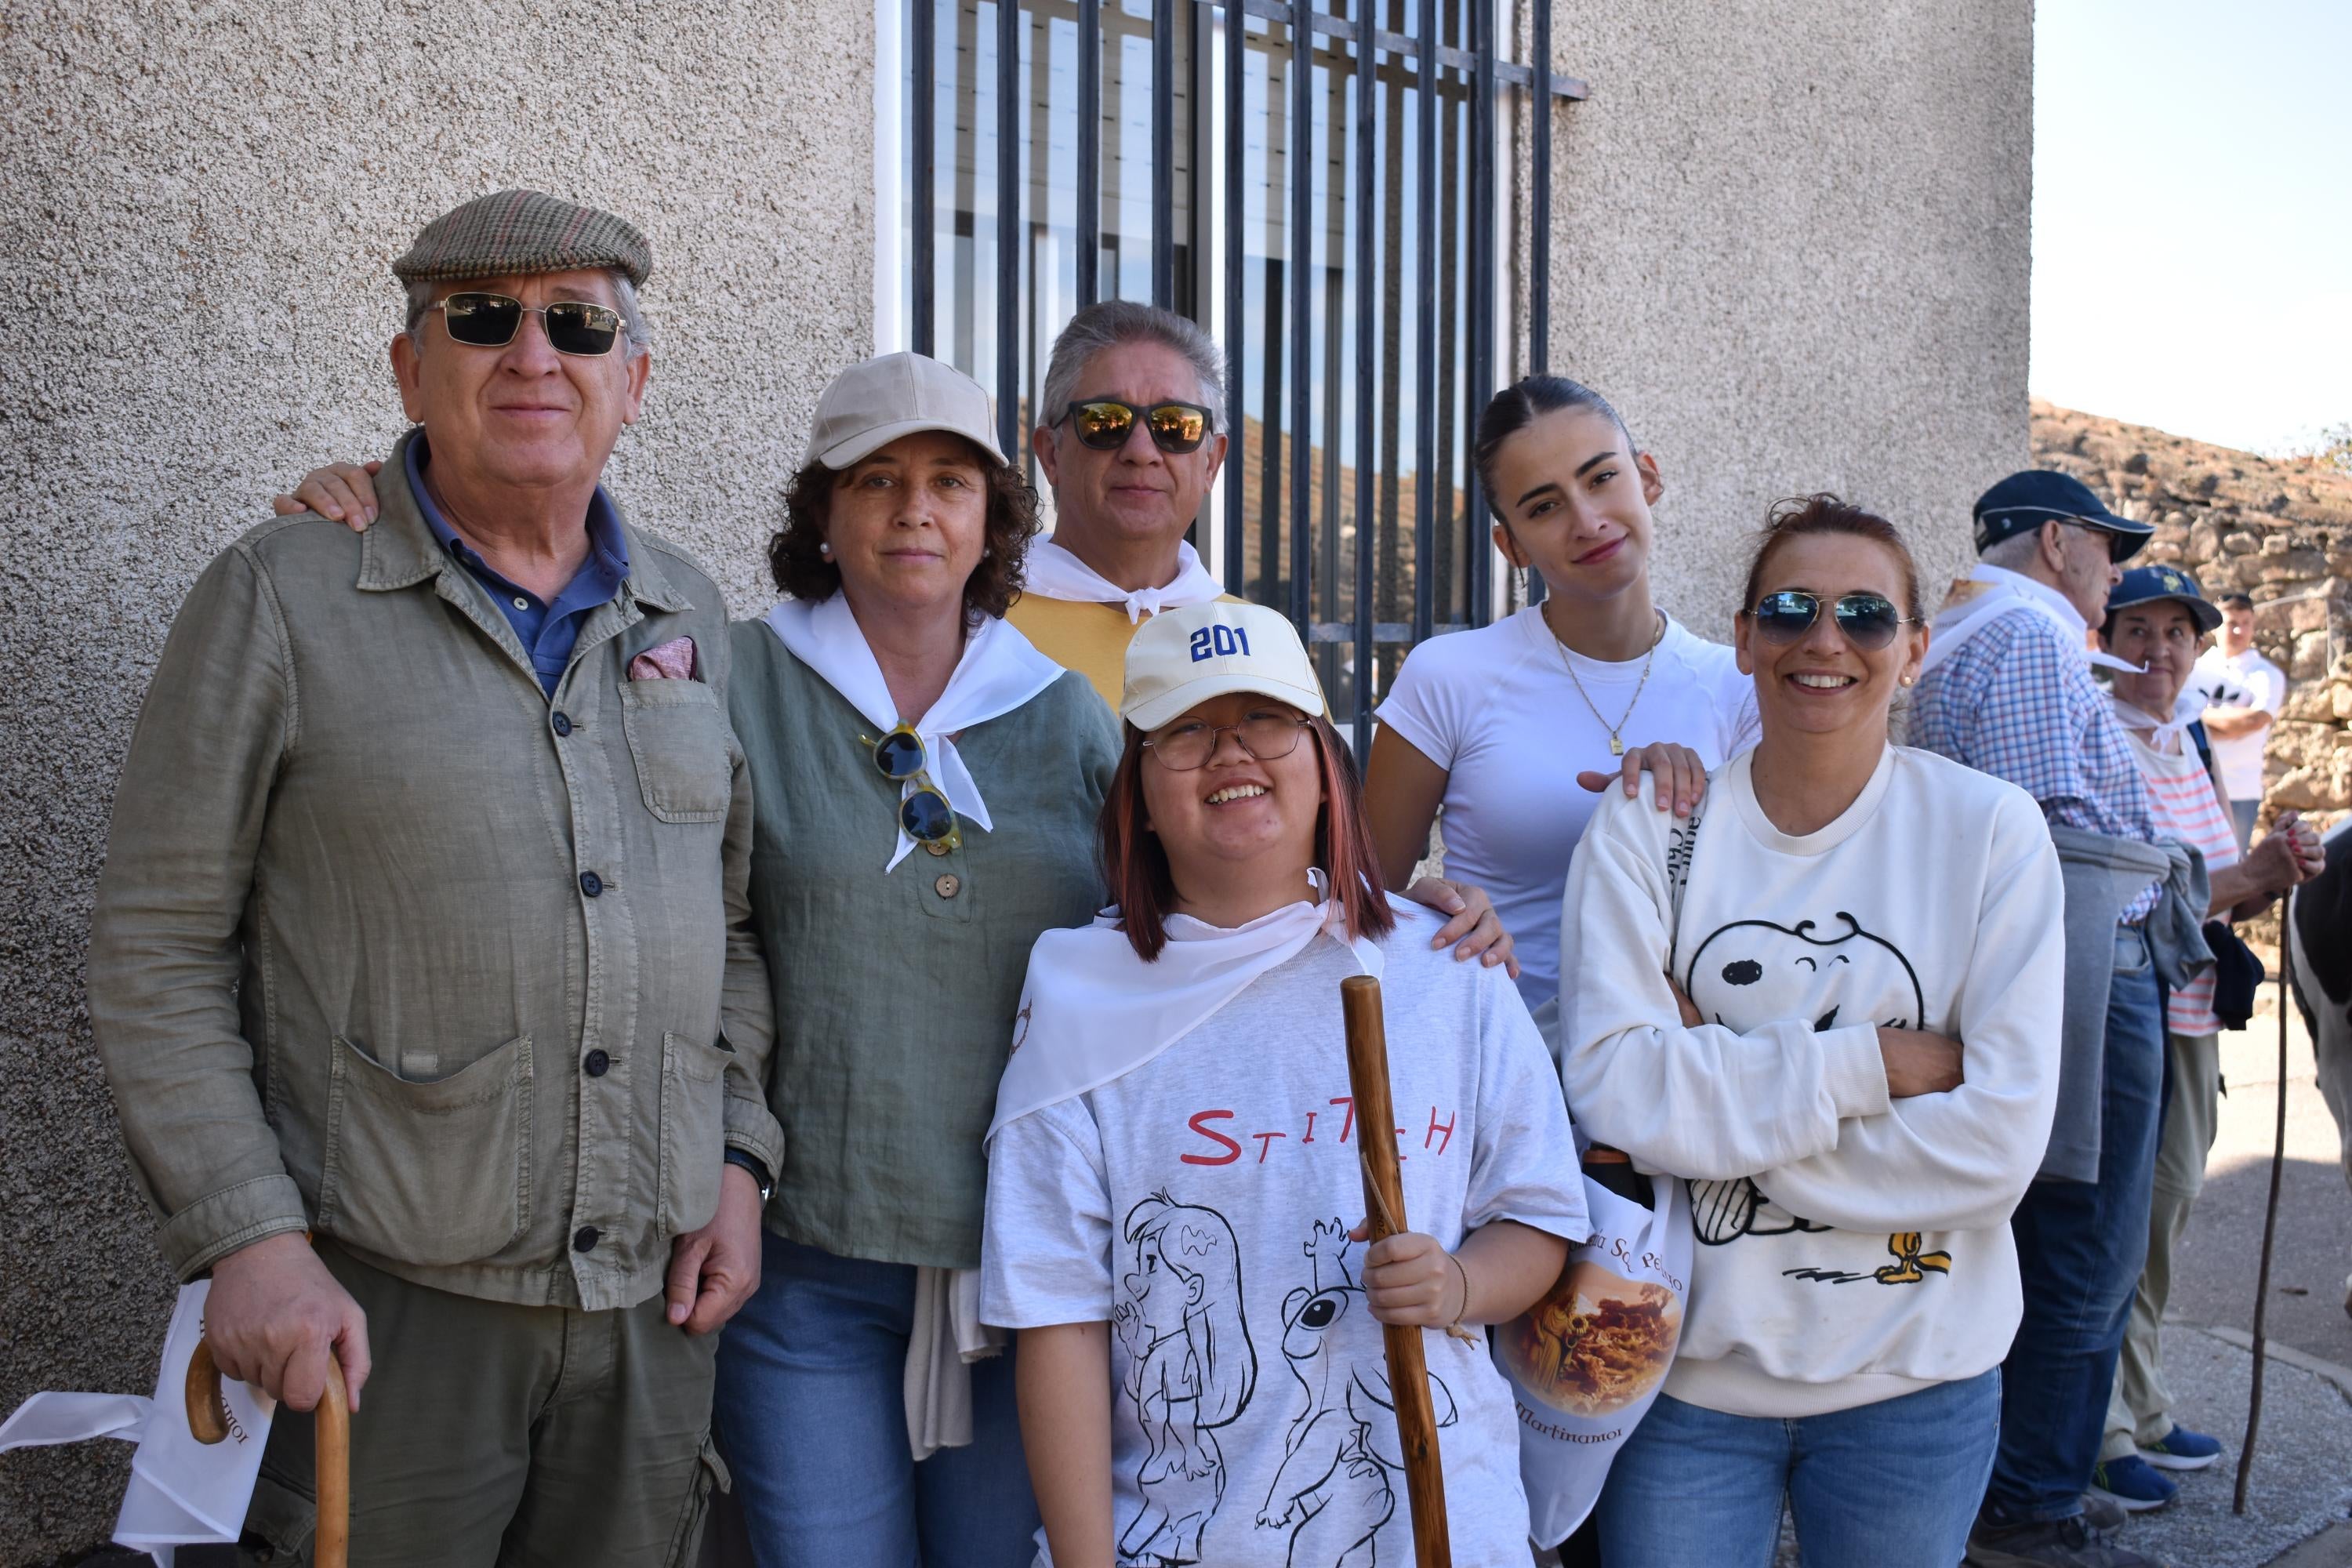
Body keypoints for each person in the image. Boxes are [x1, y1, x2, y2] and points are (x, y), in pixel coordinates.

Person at [85, 190, 775, 1564]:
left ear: (630, 381)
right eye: (482, 319)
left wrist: (741, 1159)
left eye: (579, 324)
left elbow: (737, 928)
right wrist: (249, 1242)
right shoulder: (281, 595)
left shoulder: (691, 615)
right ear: (411, 365)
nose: (533, 356)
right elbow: (156, 947)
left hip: (649, 1317)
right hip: (381, 1318)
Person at [982, 600, 1588, 1568]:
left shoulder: (1444, 967)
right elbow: (1058, 1313)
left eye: (1266, 719)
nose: (1232, 753)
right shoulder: (1076, 1000)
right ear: (1136, 791)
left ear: (1323, 764)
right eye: (1186, 729)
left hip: (1447, 1537)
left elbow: (1542, 1218)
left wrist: (1459, 1281)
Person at [1559, 495, 2065, 1568]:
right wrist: (1877, 1064)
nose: (1825, 640)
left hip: (1916, 1386)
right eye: (1789, 610)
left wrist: (1711, 1098)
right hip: (1685, 1385)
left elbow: (1999, 1150)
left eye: (1866, 616)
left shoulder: (1991, 837)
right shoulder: (1651, 829)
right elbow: (1613, 1089)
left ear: (1915, 648)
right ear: (1743, 638)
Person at [710, 350, 1117, 1565]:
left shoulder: (1067, 713)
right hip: (805, 1257)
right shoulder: (735, 680)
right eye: (875, 480)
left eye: (950, 480)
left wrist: (1415, 911)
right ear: (822, 516)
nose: (914, 510)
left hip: (1026, 1268)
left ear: (993, 515)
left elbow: (1181, 920)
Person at [1907, 469, 2208, 1568]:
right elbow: (2048, 828)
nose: (2116, 569)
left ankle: (2018, 1488)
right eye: (2106, 546)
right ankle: (2031, 1508)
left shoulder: (1972, 630)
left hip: (2051, 960)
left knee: (2051, 1234)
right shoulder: (2030, 636)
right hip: (2088, 959)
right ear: (2052, 542)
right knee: (2087, 1241)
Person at [1367, 374, 1754, 1022]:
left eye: (1602, 478)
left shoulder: (1736, 686)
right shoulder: (1449, 676)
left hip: (1680, 1070)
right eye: (1544, 506)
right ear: (1511, 545)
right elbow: (1362, 898)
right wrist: (1431, 908)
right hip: (1492, 1067)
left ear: (1648, 477)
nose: (1588, 520)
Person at [2089, 568, 2323, 1512]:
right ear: (2105, 639)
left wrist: (2271, 875)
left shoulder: (2183, 740)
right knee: (2118, 1230)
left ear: (2198, 648)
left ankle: (2142, 1405)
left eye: (2177, 634)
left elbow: (2211, 885)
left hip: (2183, 1015)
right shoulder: (2104, 735)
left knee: (2165, 1217)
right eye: (2136, 629)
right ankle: (2098, 1430)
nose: (2158, 651)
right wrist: (2244, 875)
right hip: (2131, 1016)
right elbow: (2146, 889)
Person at [2190, 593, 2287, 855]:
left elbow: (2254, 720)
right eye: (2232, 622)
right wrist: (2229, 721)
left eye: (2246, 623)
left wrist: (2196, 718)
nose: (2239, 630)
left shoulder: (2267, 675)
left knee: (2231, 865)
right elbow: (2171, 715)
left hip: (2240, 789)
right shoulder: (2194, 669)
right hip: (2193, 785)